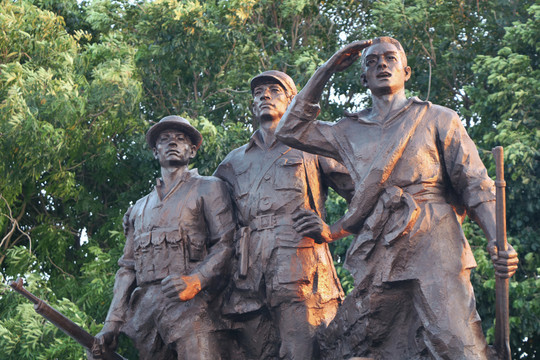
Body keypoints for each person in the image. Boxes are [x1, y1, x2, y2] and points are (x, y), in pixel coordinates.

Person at [276, 37, 519, 359]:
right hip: (379, 241)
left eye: (390, 58)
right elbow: (289, 129)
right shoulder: (347, 129)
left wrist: (496, 239)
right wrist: (328, 68)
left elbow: (475, 182)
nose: (381, 64)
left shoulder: (438, 118)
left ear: (406, 71)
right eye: (372, 61)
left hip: (434, 236)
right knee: (348, 341)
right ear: (363, 78)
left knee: (454, 341)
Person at [213, 70, 353, 360]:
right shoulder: (232, 162)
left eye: (274, 90)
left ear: (291, 102)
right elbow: (209, 225)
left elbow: (365, 194)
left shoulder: (312, 147)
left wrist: (334, 230)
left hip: (301, 270)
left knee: (301, 352)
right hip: (248, 278)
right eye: (258, 92)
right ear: (252, 106)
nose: (264, 95)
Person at [92, 116, 235, 360]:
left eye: (180, 139)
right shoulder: (138, 208)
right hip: (146, 314)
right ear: (155, 152)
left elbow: (225, 244)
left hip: (194, 308)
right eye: (164, 139)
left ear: (191, 151)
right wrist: (112, 323)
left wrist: (196, 280)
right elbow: (127, 269)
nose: (172, 143)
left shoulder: (209, 188)